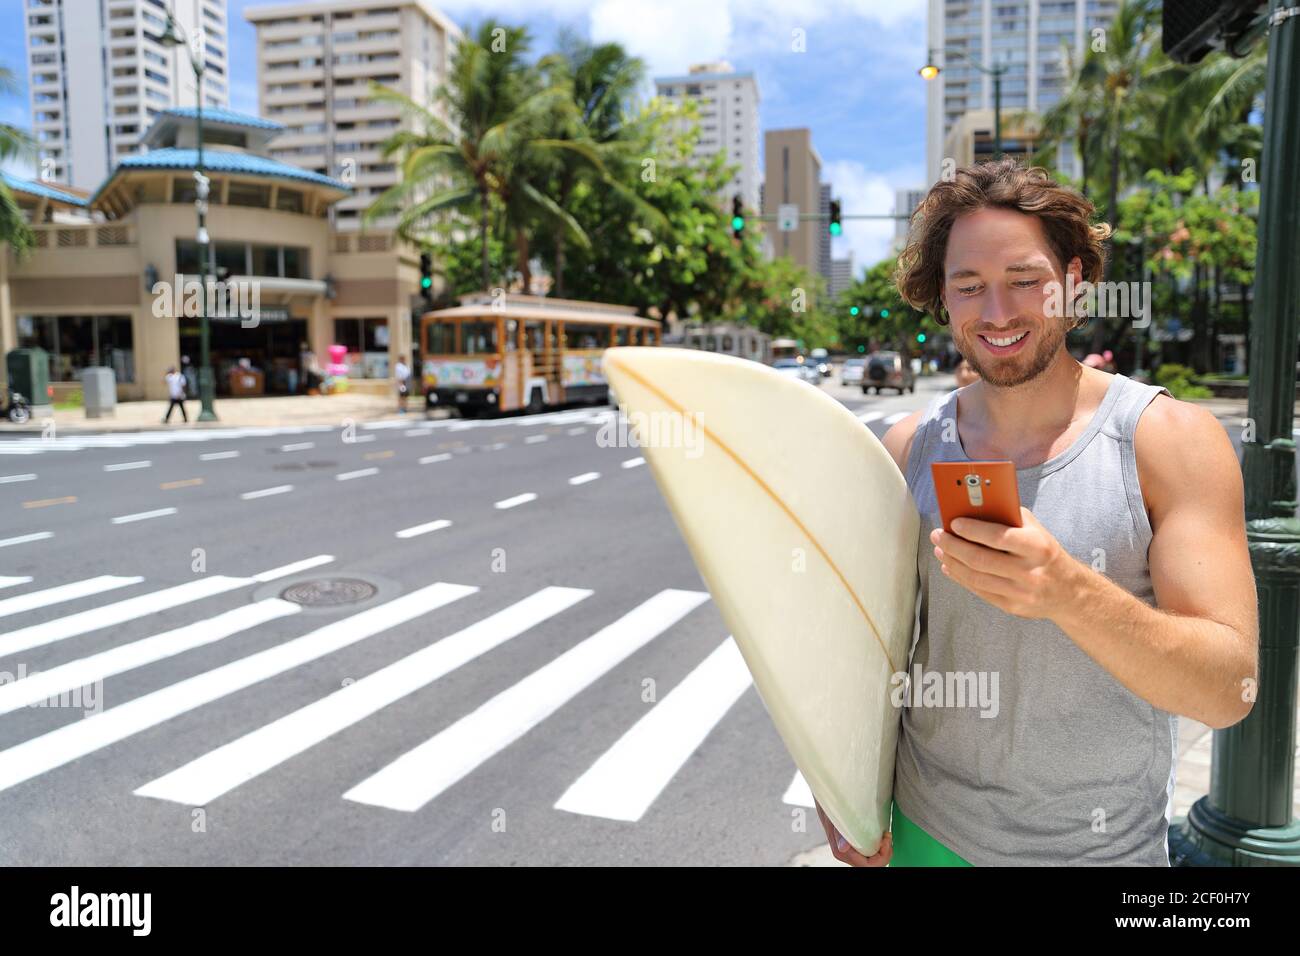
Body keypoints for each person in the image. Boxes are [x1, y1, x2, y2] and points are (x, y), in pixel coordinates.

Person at [816, 158, 1257, 867]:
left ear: (1074, 281)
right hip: (926, 832)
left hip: (1101, 852)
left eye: (1024, 281)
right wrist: (840, 782)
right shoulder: (909, 448)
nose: (997, 313)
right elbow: (869, 650)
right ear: (944, 300)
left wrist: (1070, 593)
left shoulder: (1169, 442)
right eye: (969, 286)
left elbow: (1228, 690)